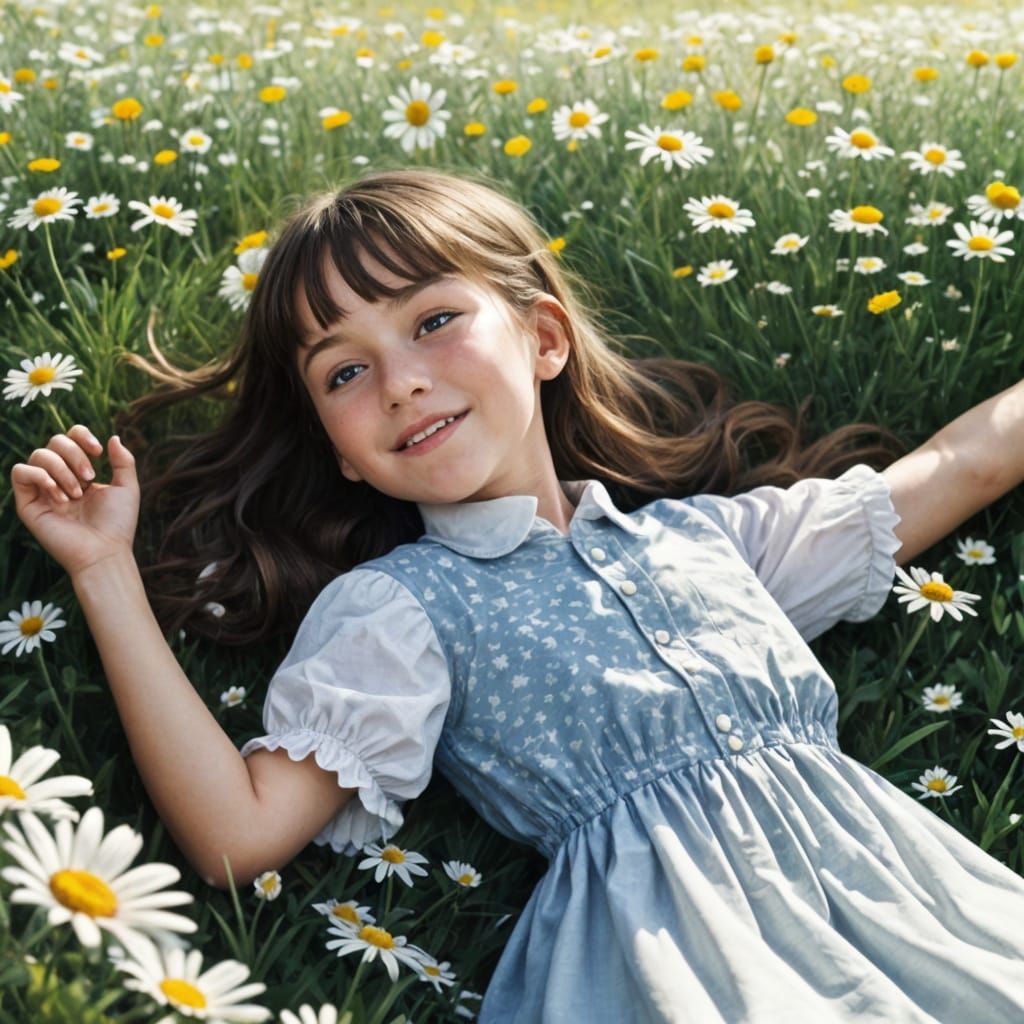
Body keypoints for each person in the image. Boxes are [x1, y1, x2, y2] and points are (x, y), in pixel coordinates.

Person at [11, 167, 1024, 1023]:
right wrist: (103, 571)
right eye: (346, 371)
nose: (400, 381)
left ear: (543, 338)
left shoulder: (711, 540)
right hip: (672, 958)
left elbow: (960, 467)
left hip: (902, 907)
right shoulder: (401, 608)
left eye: (434, 321)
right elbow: (238, 833)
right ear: (341, 455)